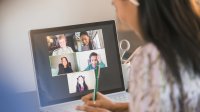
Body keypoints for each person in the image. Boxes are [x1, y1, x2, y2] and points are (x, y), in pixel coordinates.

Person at [76, 0, 200, 112]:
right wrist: (116, 107)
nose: (113, 3)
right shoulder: (190, 42)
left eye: (115, 2)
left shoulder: (150, 58)